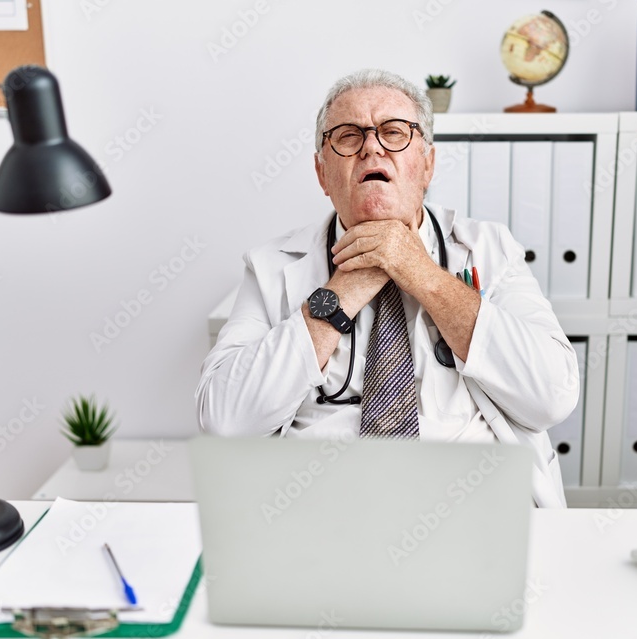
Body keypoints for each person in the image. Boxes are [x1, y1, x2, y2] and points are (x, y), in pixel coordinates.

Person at [195, 69, 579, 507]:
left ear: (427, 166)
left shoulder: (490, 249)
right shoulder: (268, 267)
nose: (372, 147)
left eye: (394, 132)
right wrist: (342, 292)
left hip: (473, 502)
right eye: (347, 136)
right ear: (322, 173)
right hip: (321, 506)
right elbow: (224, 419)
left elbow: (552, 396)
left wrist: (422, 273)